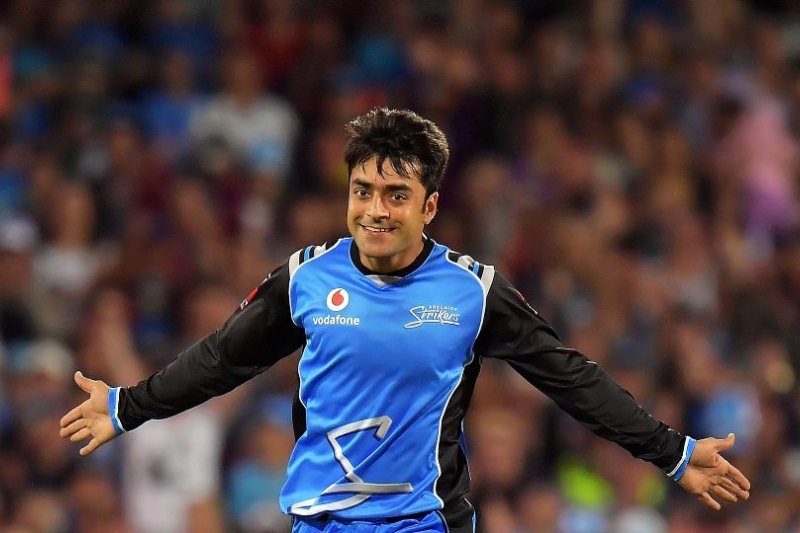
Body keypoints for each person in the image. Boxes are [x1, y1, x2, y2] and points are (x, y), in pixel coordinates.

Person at [60, 108, 751, 532]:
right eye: (363, 191)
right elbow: (221, 359)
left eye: (396, 194)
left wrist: (671, 452)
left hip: (424, 522)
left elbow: (570, 378)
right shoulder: (304, 279)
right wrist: (128, 406)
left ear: (430, 206)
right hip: (319, 524)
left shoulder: (473, 291)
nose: (374, 210)